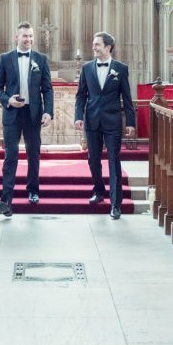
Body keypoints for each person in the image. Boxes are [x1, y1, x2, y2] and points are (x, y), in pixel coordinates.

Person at [0, 21, 54, 217]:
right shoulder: (5, 58)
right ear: (16, 37)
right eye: (25, 36)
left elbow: (47, 89)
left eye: (30, 36)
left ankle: (33, 191)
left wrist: (48, 112)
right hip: (12, 114)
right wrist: (8, 100)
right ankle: (6, 199)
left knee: (33, 155)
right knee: (10, 157)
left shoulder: (41, 59)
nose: (28, 39)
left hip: (33, 114)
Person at [74, 31, 136, 220]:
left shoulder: (121, 69)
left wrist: (131, 123)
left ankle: (115, 204)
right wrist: (78, 116)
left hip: (112, 121)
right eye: (93, 44)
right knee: (93, 160)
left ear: (108, 47)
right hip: (92, 120)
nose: (93, 47)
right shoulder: (86, 68)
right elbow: (81, 96)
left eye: (97, 44)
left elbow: (126, 98)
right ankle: (99, 191)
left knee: (113, 161)